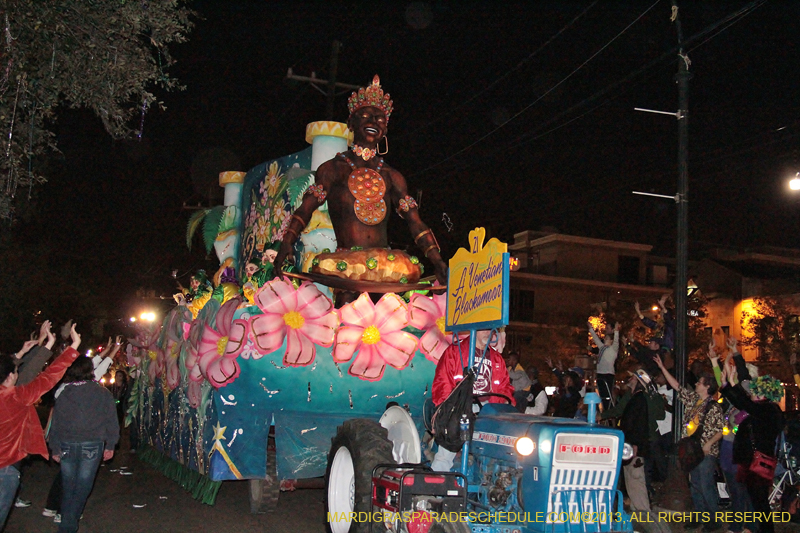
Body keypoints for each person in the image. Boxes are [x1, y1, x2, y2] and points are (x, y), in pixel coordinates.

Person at [274, 75, 448, 304]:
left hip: (387, 268)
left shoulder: (392, 176)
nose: (374, 122)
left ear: (385, 130)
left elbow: (415, 221)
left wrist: (437, 260)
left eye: (380, 119)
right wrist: (286, 242)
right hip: (346, 265)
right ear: (351, 124)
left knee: (391, 310)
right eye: (365, 116)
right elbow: (306, 208)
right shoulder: (333, 169)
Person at [0, 324, 81, 529]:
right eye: (16, 370)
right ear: (10, 376)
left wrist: (22, 352)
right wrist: (74, 347)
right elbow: (49, 376)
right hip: (6, 469)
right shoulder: (17, 397)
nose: (18, 373)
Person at [48, 355, 119, 533]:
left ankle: (66, 522)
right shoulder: (102, 392)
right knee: (82, 487)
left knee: (69, 486)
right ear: (90, 371)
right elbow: (112, 421)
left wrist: (55, 447)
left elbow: (56, 423)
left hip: (67, 444)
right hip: (92, 444)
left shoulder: (65, 392)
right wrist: (111, 444)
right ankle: (68, 525)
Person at [654, 354, 723, 532]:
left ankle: (713, 521)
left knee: (705, 485)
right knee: (695, 485)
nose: (696, 384)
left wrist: (708, 444)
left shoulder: (714, 406)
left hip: (705, 452)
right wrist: (662, 368)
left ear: (707, 386)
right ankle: (700, 517)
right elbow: (677, 387)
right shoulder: (694, 401)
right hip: (692, 450)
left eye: (699, 382)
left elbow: (720, 430)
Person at [430, 330, 515, 471]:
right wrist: (447, 411)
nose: (488, 332)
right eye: (484, 328)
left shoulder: (496, 358)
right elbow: (443, 381)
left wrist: (507, 403)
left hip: (488, 411)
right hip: (461, 407)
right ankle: (439, 482)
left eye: (490, 328)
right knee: (448, 448)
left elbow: (505, 387)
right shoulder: (455, 351)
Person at [719, 355, 783, 533]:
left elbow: (744, 403)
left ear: (763, 393)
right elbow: (745, 403)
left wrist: (728, 385)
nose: (752, 392)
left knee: (760, 502)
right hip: (752, 461)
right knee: (756, 501)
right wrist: (730, 384)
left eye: (755, 390)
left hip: (758, 463)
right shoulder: (763, 410)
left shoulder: (768, 410)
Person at [588, 321, 620, 411]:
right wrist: (591, 328)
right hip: (600, 373)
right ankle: (603, 410)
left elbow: (616, 342)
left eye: (607, 338)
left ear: (611, 341)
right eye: (605, 338)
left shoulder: (613, 349)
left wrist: (617, 331)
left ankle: (609, 410)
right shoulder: (602, 348)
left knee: (607, 395)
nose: (605, 339)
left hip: (608, 373)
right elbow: (596, 339)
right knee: (601, 394)